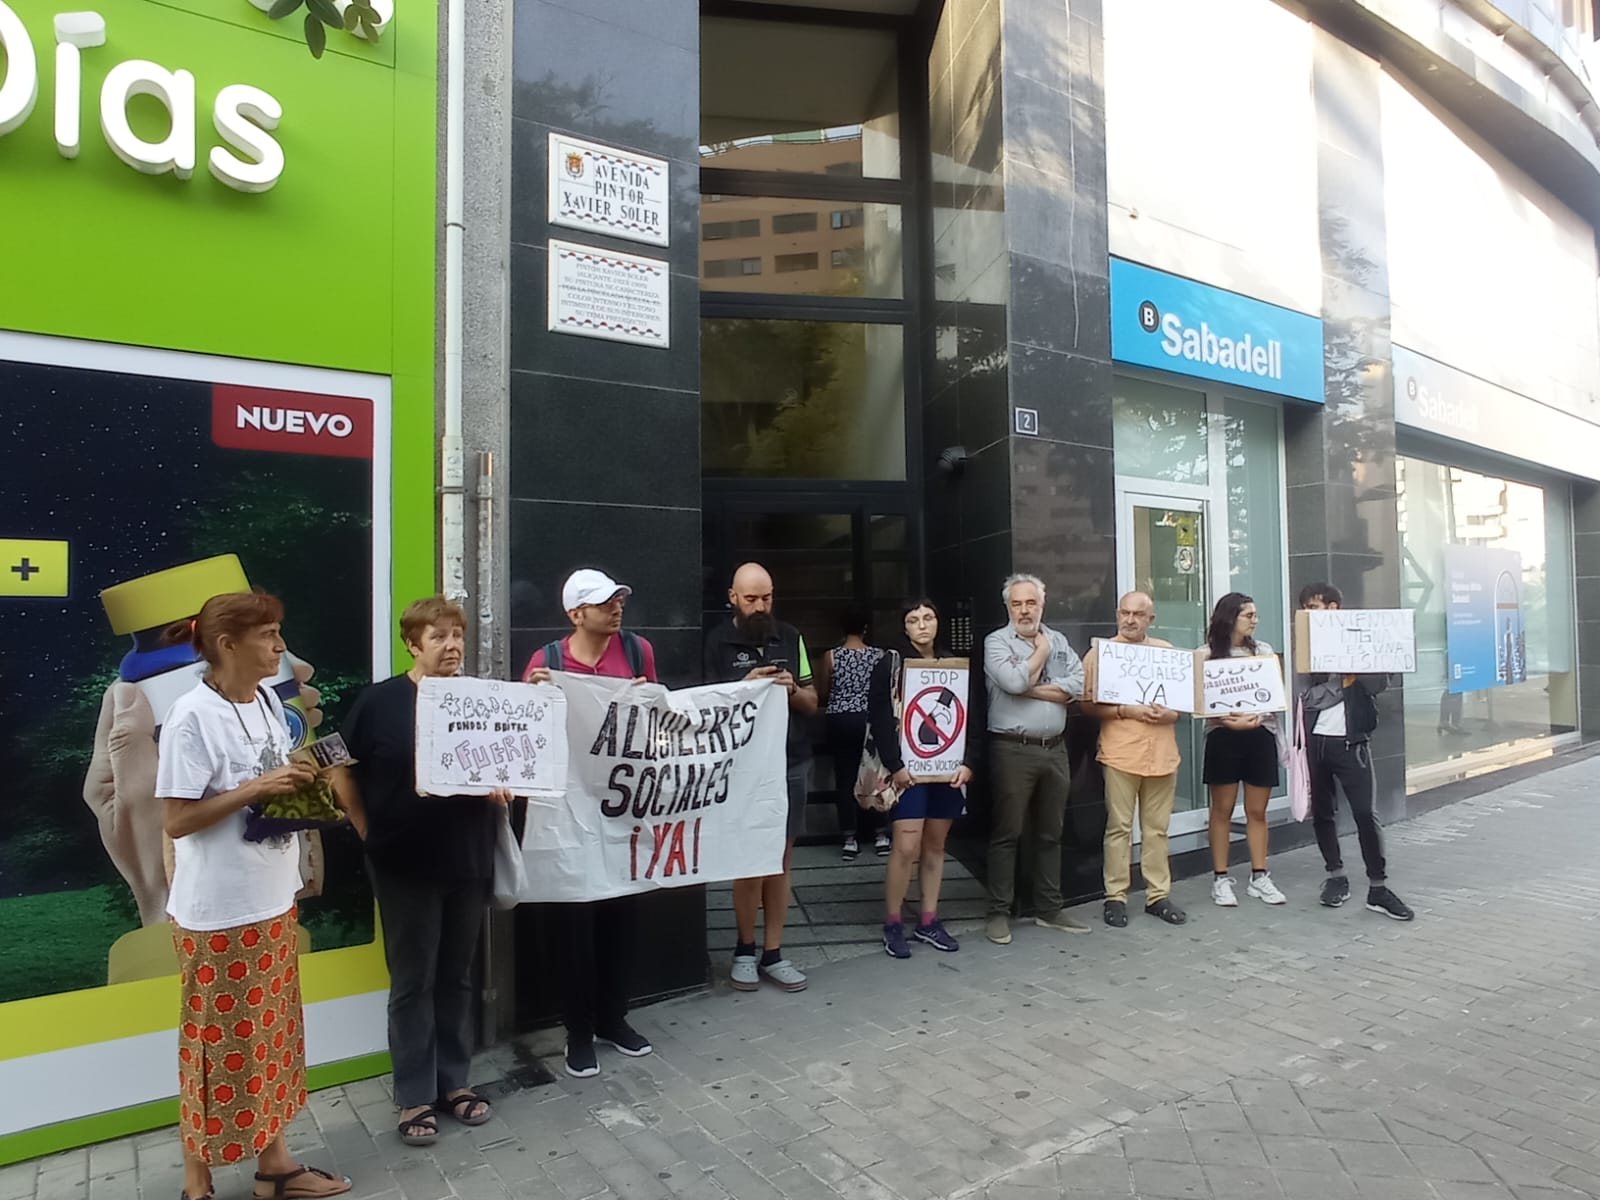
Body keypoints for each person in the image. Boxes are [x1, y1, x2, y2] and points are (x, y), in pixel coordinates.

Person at [157, 591, 351, 1200]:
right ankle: (198, 1183)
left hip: (271, 897)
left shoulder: (266, 700)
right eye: (268, 636)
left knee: (268, 1038)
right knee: (215, 1045)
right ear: (226, 644)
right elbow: (176, 820)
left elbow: (273, 770)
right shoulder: (190, 716)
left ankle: (275, 1167)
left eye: (278, 634)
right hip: (218, 913)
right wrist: (258, 785)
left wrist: (307, 770)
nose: (279, 648)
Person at [333, 596, 510, 1147]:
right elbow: (337, 766)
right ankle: (414, 1096)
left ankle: (455, 1082)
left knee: (457, 975)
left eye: (457, 635)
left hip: (468, 859)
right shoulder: (378, 701)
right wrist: (366, 831)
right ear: (413, 644)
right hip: (404, 865)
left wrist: (506, 785)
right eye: (438, 637)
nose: (452, 646)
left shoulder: (482, 700)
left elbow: (511, 759)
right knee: (413, 981)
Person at [520, 569, 658, 1077]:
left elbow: (654, 728)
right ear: (576, 614)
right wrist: (535, 695)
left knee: (621, 922)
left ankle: (613, 1019)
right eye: (604, 603)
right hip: (569, 814)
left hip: (621, 815)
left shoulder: (638, 652)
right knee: (573, 928)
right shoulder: (548, 662)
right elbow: (527, 739)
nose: (616, 609)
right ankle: (578, 1031)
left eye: (619, 599)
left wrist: (650, 700)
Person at [703, 562, 818, 992]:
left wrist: (791, 690)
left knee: (781, 860)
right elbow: (704, 706)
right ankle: (744, 949)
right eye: (751, 598)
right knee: (749, 859)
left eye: (766, 597)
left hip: (790, 761)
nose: (760, 606)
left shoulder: (790, 636)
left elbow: (812, 699)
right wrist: (743, 688)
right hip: (743, 767)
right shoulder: (716, 641)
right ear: (732, 597)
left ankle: (774, 952)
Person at [1297, 583, 1414, 920]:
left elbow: (1379, 684)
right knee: (1323, 812)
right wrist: (1345, 681)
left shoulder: (1366, 635)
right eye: (1305, 607)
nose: (1309, 612)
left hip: (1353, 743)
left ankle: (1378, 886)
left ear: (1334, 607)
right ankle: (1335, 876)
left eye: (1315, 606)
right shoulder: (1307, 645)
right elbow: (1307, 696)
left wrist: (1358, 670)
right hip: (1317, 741)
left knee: (1365, 814)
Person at [982, 573, 1088, 945]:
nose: (1024, 610)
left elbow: (1078, 684)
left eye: (1031, 603)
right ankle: (998, 911)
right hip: (1013, 748)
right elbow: (1011, 684)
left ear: (1042, 605)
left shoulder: (1059, 639)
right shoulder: (996, 642)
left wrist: (1033, 687)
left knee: (1050, 833)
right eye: (1017, 604)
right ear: (1008, 607)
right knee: (1007, 832)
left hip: (1054, 749)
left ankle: (1049, 908)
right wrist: (1039, 656)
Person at [867, 599, 975, 958]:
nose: (923, 625)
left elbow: (969, 716)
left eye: (929, 617)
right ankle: (893, 922)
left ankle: (928, 919)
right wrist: (895, 765)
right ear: (905, 626)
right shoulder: (890, 663)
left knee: (935, 846)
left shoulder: (953, 664)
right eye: (914, 620)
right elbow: (880, 718)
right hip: (908, 772)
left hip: (946, 771)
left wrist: (969, 762)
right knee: (906, 847)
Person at [1079, 592, 1187, 927]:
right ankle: (1115, 896)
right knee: (1119, 828)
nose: (1130, 620)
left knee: (1157, 830)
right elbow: (1086, 704)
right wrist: (1125, 710)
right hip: (1121, 754)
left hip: (1162, 755)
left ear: (1150, 619)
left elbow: (1181, 707)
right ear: (1116, 615)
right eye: (1124, 612)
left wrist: (1169, 713)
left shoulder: (1166, 653)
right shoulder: (1100, 654)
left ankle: (1158, 895)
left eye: (1138, 614)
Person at [1203, 592, 1286, 907]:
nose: (1254, 620)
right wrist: (1228, 720)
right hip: (1222, 736)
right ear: (1230, 617)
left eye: (1255, 615)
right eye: (1248, 615)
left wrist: (1256, 717)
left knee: (1257, 811)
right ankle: (1220, 878)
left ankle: (1260, 875)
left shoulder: (1262, 652)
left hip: (1259, 734)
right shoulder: (1207, 654)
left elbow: (1273, 695)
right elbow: (1200, 701)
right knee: (1221, 810)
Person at [817, 604, 888, 860]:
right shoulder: (879, 655)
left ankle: (849, 838)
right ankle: (880, 833)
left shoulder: (831, 656)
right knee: (875, 775)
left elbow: (823, 690)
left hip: (840, 720)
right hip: (870, 721)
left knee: (845, 779)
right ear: (866, 628)